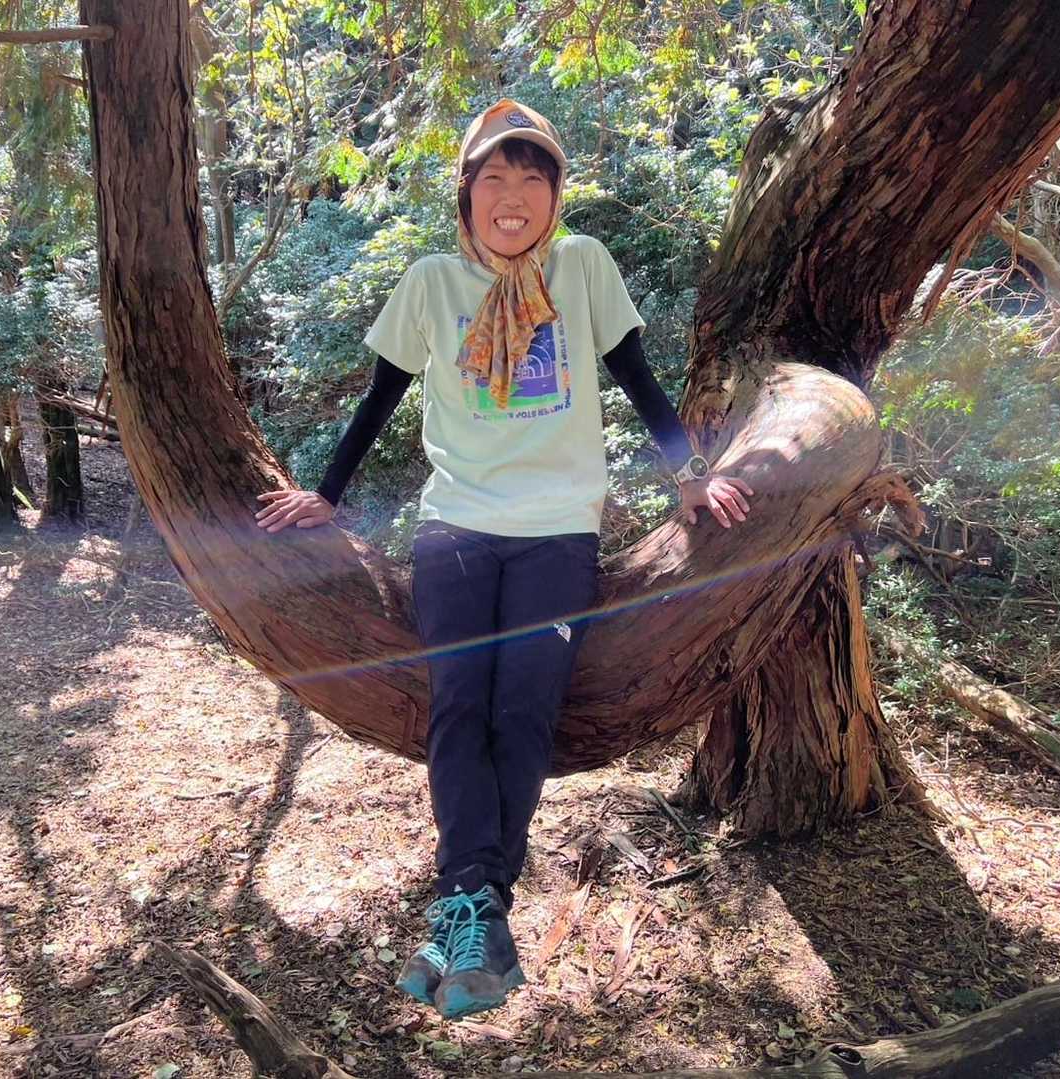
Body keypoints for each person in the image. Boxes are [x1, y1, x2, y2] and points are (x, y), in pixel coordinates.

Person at [256, 99, 754, 1019]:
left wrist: (691, 475)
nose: (513, 195)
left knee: (523, 707)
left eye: (532, 178)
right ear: (467, 194)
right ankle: (472, 906)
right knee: (457, 704)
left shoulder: (583, 266)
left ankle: (470, 908)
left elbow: (635, 375)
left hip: (557, 529)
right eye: (494, 177)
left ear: (556, 196)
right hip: (455, 524)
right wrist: (326, 492)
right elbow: (380, 398)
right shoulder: (431, 282)